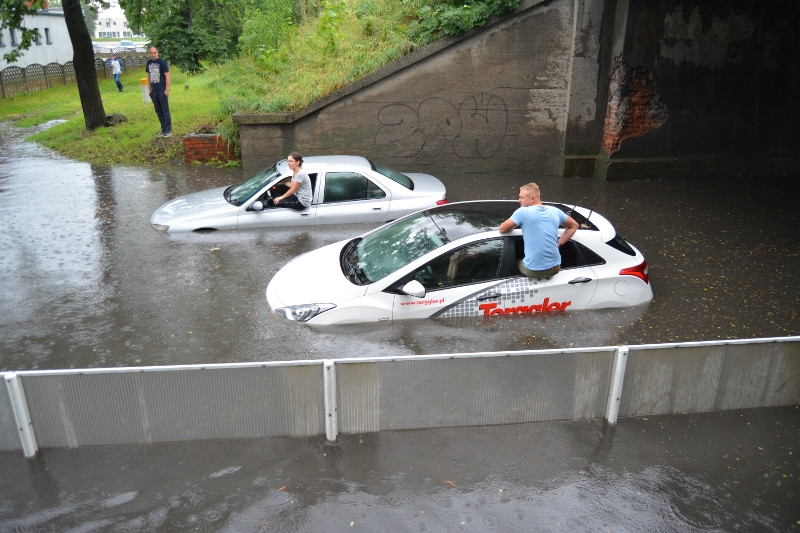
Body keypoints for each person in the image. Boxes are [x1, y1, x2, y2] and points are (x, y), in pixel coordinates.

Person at [498, 182, 579, 279]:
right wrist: (559, 243)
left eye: (521, 197)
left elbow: (502, 229)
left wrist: (517, 223)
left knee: (514, 261)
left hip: (534, 271)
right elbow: (574, 225)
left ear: (532, 198)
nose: (519, 200)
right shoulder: (555, 211)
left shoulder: (522, 212)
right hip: (556, 267)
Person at [146, 46, 172, 138]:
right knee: (158, 111)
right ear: (149, 53)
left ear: (158, 53)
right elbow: (148, 76)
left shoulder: (162, 62)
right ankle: (163, 130)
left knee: (165, 110)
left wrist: (166, 90)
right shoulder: (149, 63)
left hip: (162, 91)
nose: (153, 55)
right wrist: (149, 90)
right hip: (154, 92)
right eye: (151, 53)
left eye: (155, 53)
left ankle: (168, 130)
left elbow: (167, 76)